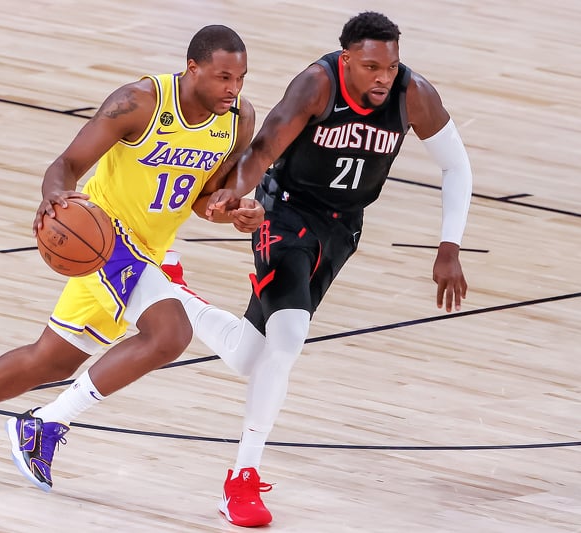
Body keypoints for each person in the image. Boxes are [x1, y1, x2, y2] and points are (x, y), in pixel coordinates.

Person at [0, 25, 264, 493]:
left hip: (152, 248)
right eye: (224, 76)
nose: (233, 88)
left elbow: (204, 199)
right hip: (104, 238)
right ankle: (44, 424)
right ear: (193, 68)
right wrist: (55, 201)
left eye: (241, 78)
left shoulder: (238, 118)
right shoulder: (140, 101)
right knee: (171, 333)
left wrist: (234, 213)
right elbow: (65, 165)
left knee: (51, 361)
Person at [164, 11, 472, 527]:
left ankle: (180, 300)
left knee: (250, 358)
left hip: (343, 228)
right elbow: (262, 151)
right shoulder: (316, 85)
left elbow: (456, 164)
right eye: (371, 66)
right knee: (288, 337)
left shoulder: (412, 94)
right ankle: (241, 481)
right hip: (284, 214)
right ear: (347, 59)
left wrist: (449, 245)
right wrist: (231, 193)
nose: (383, 77)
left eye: (390, 67)